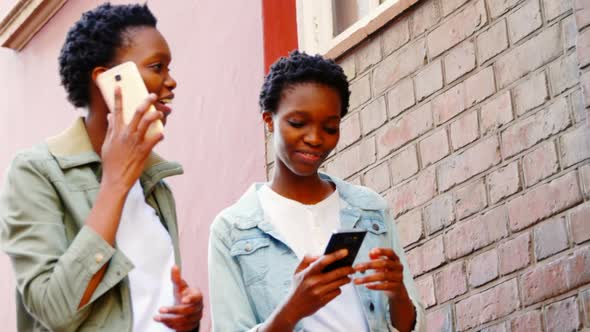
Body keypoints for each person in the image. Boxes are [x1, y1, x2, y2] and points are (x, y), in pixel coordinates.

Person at [0, 3, 202, 331]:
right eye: (157, 66)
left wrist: (187, 318)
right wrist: (115, 183)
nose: (172, 81)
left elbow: (147, 303)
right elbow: (55, 311)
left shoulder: (156, 184)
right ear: (107, 80)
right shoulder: (35, 173)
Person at [208, 50, 426, 331]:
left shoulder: (370, 210)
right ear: (268, 120)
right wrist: (293, 308)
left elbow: (412, 325)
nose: (315, 139)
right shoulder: (232, 230)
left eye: (330, 127)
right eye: (298, 123)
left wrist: (398, 293)